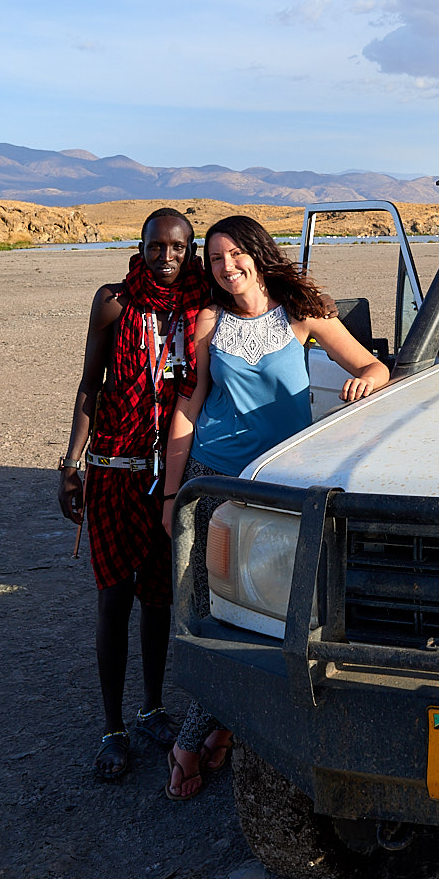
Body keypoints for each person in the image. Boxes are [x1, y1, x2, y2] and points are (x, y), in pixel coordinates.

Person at [155, 214, 390, 800]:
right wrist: (172, 493)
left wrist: (367, 380)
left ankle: (209, 730)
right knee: (212, 613)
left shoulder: (301, 312)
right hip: (214, 482)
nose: (225, 268)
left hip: (280, 487)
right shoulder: (209, 321)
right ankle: (203, 732)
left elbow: (373, 365)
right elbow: (189, 406)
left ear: (258, 254)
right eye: (213, 260)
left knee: (272, 613)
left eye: (234, 255)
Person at [59, 207, 208, 782]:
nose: (166, 258)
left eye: (177, 248)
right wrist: (69, 464)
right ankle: (112, 726)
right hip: (116, 472)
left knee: (158, 598)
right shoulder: (113, 303)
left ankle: (151, 708)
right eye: (155, 247)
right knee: (113, 598)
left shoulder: (200, 312)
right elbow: (89, 385)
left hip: (169, 478)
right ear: (140, 246)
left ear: (190, 252)